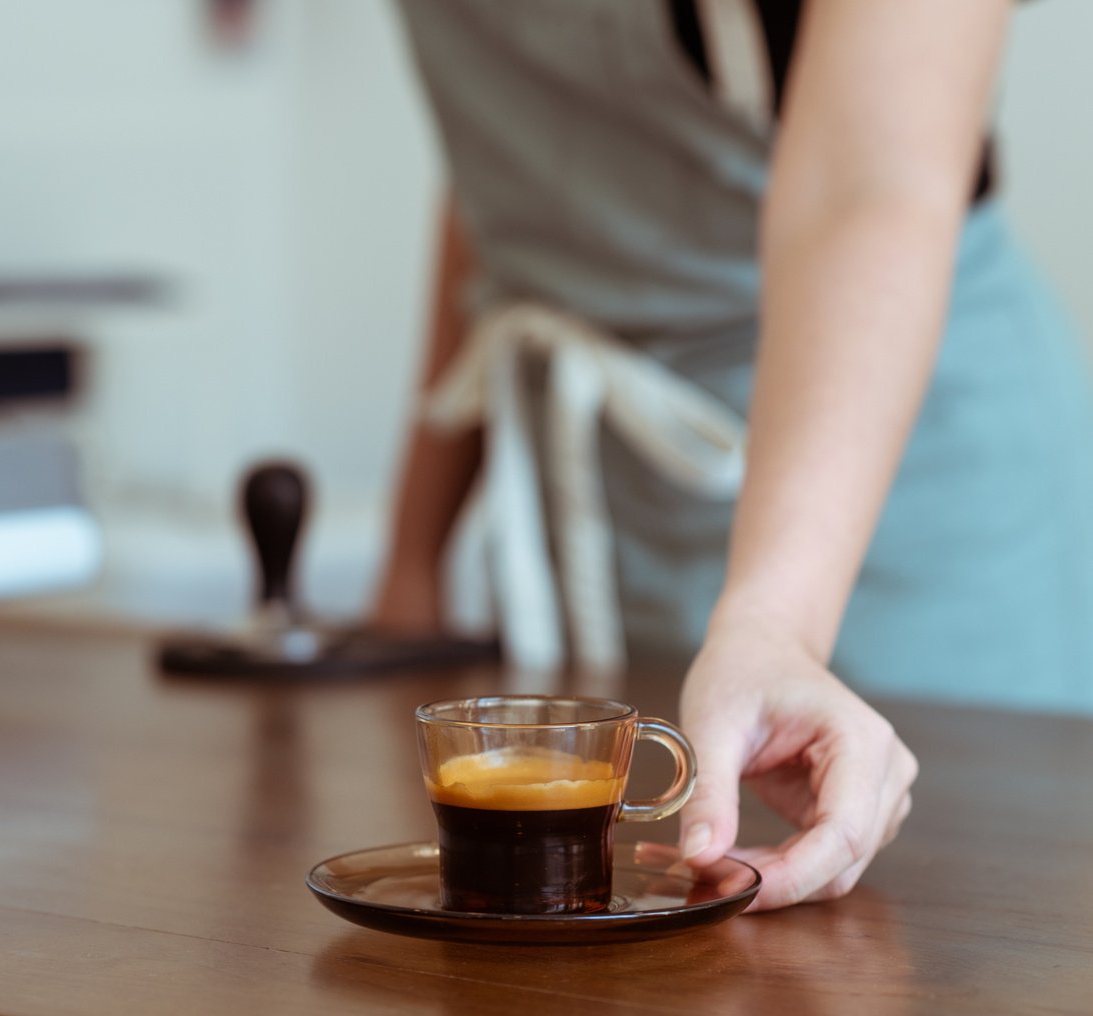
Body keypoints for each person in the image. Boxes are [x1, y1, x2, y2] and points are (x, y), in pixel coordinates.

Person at [374, 0, 1093, 911]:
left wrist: (776, 624)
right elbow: (518, 180)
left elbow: (867, 186)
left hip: (909, 507)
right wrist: (410, 559)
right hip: (615, 503)